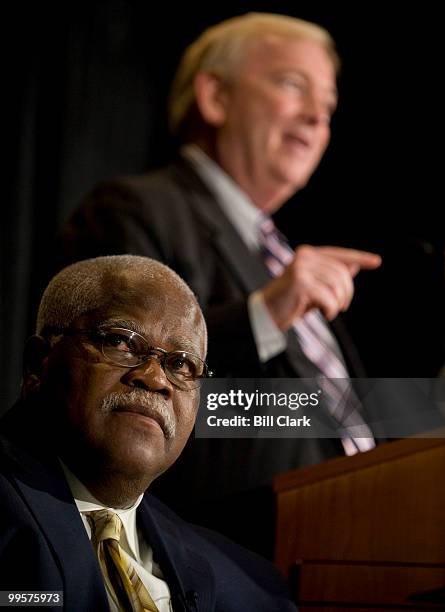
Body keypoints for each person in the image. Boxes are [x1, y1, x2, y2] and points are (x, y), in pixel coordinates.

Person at [59, 13, 382, 556]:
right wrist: (262, 316)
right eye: (291, 85)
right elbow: (128, 392)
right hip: (226, 554)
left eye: (327, 107)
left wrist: (419, 411)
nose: (315, 118)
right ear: (215, 97)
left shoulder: (279, 254)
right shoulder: (139, 209)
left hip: (349, 545)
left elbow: (319, 414)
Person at [0, 255, 297, 612]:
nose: (156, 379)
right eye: (121, 341)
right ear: (38, 365)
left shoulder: (253, 589)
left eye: (181, 364)